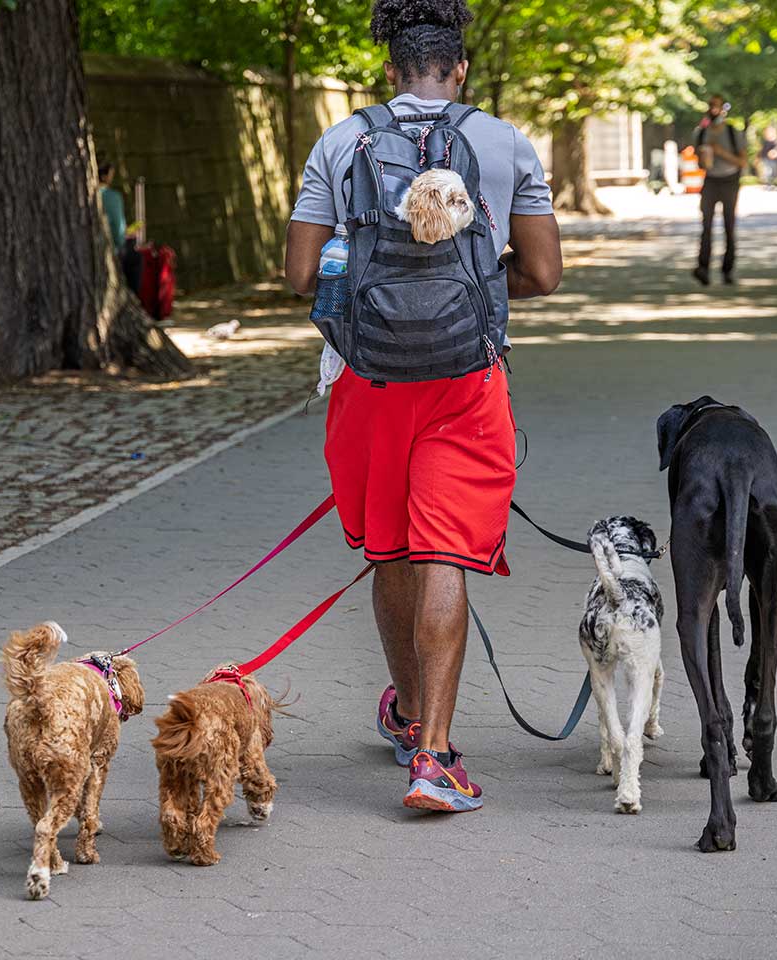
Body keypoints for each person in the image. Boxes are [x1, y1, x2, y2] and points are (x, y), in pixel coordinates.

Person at [283, 0, 562, 813]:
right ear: (461, 68)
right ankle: (436, 761)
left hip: (366, 382)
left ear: (390, 70)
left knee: (393, 548)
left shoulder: (340, 141)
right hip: (466, 382)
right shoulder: (504, 142)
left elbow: (303, 275)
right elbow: (543, 273)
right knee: (445, 551)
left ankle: (407, 717)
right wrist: (465, 291)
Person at [692, 94, 746, 285]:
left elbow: (742, 161)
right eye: (710, 106)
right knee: (706, 226)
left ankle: (727, 269)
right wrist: (704, 158)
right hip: (711, 181)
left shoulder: (732, 132)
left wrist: (721, 152)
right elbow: (700, 162)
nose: (713, 109)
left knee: (728, 225)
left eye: (716, 106)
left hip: (729, 180)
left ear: (723, 108)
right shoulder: (701, 133)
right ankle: (703, 267)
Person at [97, 163, 126, 246]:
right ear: (104, 176)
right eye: (111, 175)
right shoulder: (114, 197)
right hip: (110, 245)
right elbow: (118, 226)